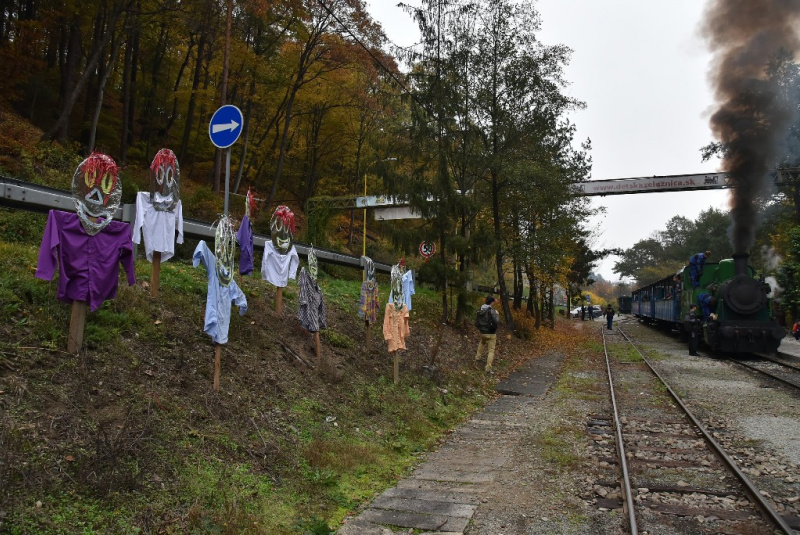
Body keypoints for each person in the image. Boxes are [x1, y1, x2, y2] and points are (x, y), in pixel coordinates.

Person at [475, 296, 500, 373]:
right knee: (491, 351)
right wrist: (497, 315)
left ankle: (477, 357)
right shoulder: (491, 310)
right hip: (491, 333)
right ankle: (488, 367)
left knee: (482, 342)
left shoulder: (481, 309)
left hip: (483, 332)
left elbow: (477, 321)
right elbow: (496, 322)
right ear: (491, 302)